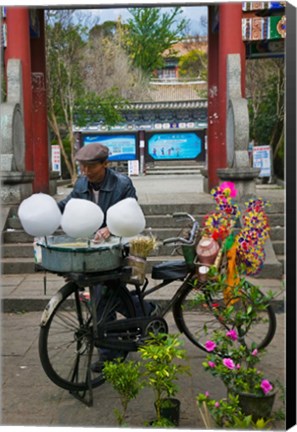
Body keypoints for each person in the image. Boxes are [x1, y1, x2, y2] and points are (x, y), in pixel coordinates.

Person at [57, 143, 159, 373]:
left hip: (118, 248)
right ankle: (145, 309)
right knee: (106, 295)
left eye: (90, 166)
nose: (85, 171)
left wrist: (109, 229)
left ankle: (110, 354)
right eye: (82, 166)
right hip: (94, 249)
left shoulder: (122, 184)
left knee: (102, 296)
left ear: (105, 164)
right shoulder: (82, 183)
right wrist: (51, 213)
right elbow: (69, 205)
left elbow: (130, 215)